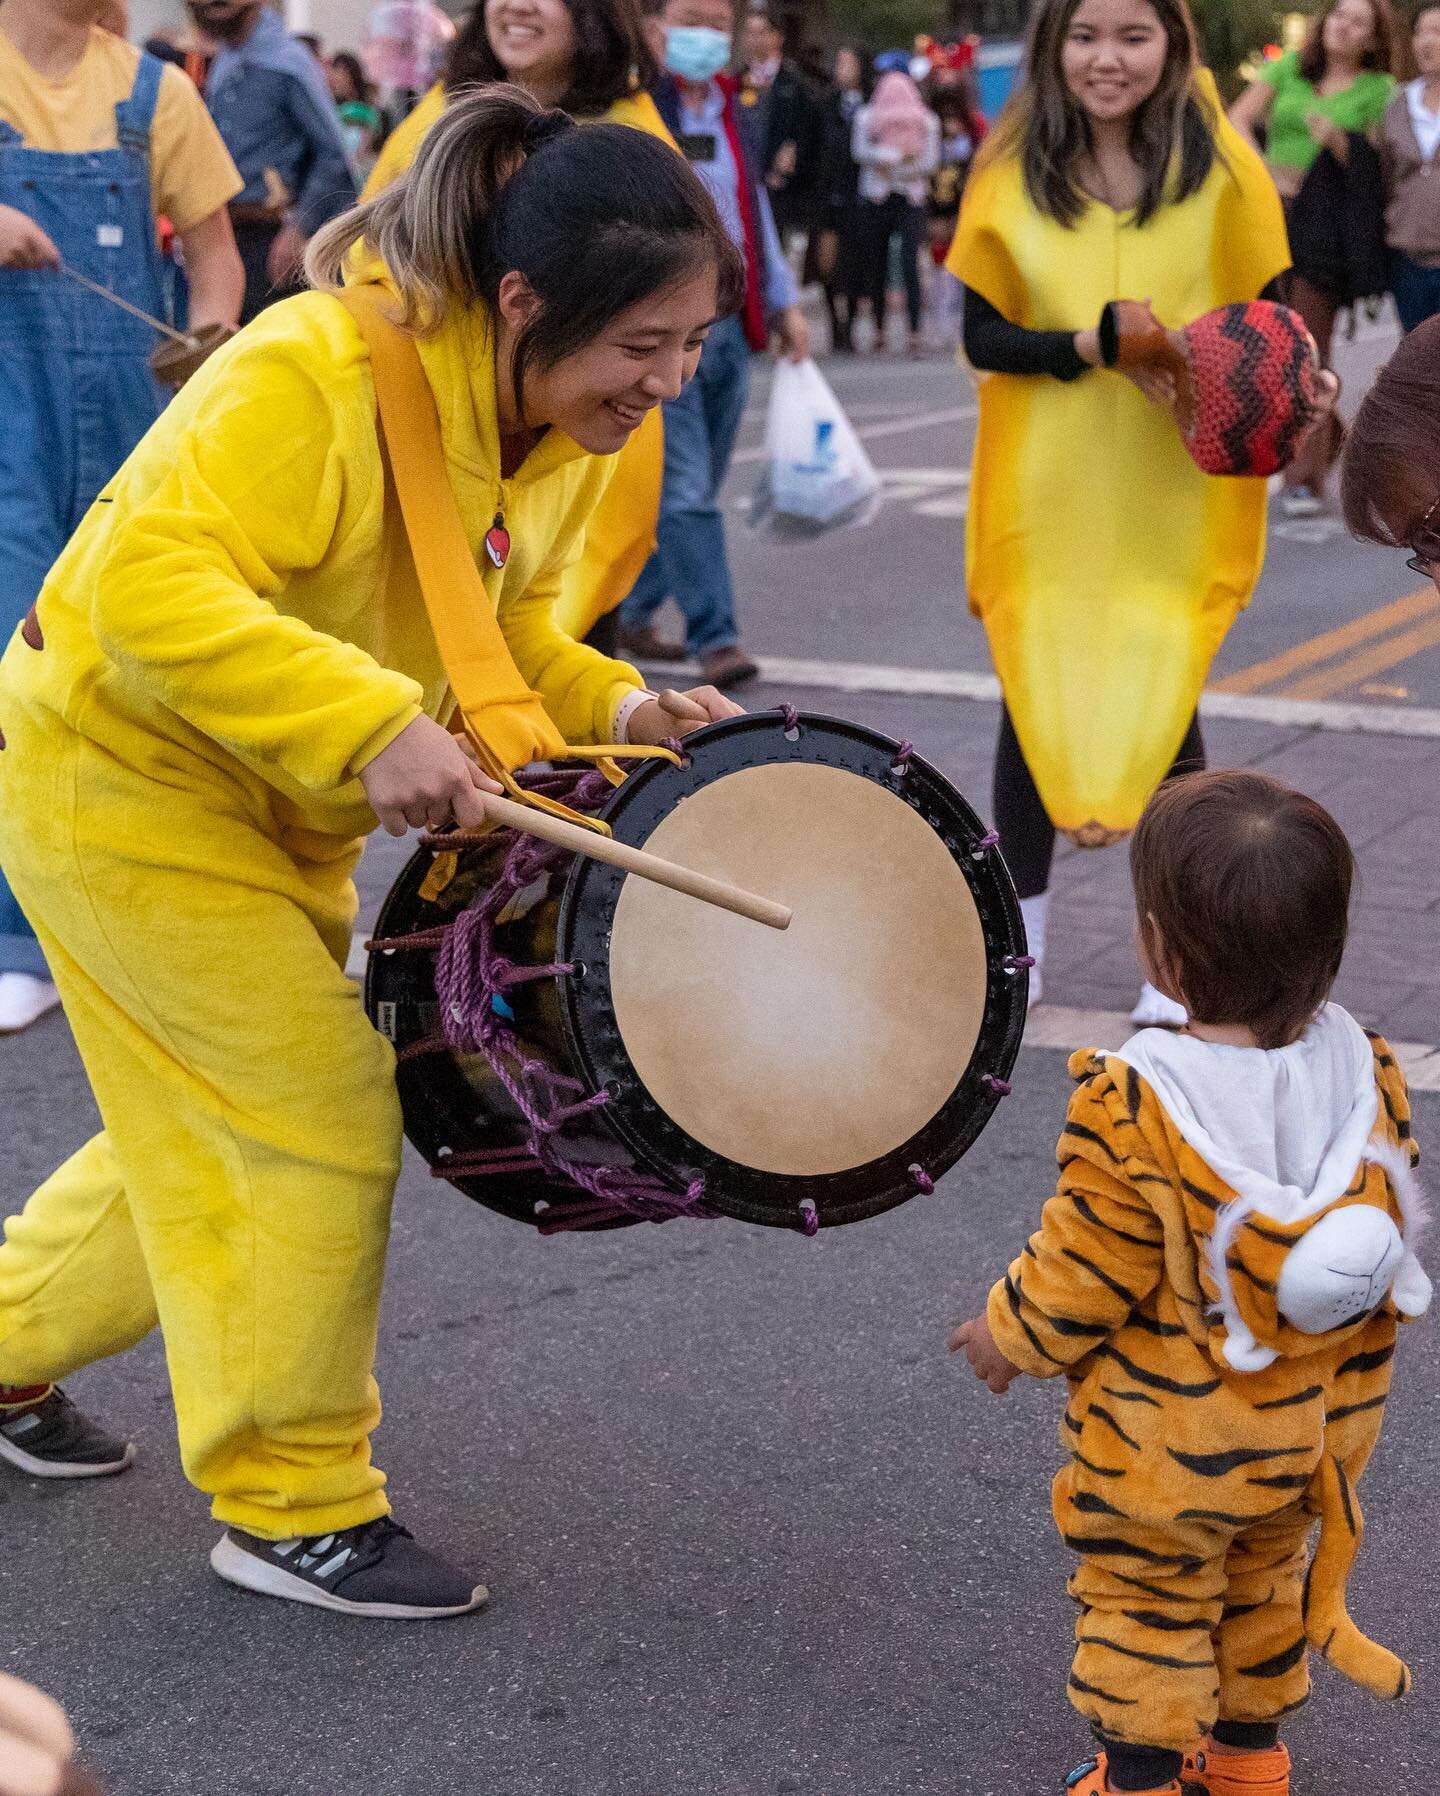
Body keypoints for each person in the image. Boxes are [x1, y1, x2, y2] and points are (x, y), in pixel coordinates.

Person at [0, 88, 744, 1618]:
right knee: (315, 1110)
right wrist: (363, 721)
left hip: (271, 798)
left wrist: (618, 697)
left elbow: (503, 627)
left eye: (690, 345)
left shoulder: (553, 420)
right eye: (643, 347)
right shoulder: (313, 366)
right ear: (523, 303)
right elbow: (145, 582)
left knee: (204, 1132)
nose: (668, 382)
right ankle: (290, 1504)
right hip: (116, 786)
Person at [952, 768, 1428, 1796]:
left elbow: (1084, 1264)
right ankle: (1252, 1764)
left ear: (1160, 947)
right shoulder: (1369, 1071)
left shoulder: (1140, 1103)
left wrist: (1008, 1332)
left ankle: (1138, 1777)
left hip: (1170, 1444)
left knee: (1147, 1601)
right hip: (1309, 1426)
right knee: (1264, 1577)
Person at [946, 0, 1290, 1026]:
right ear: (1054, 48)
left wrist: (1292, 388)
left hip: (1172, 491)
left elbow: (1267, 323)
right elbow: (982, 337)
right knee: (1033, 696)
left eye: (1133, 36)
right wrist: (1089, 346)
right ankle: (1023, 945)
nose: (1108, 58)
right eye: (1085, 35)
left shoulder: (1224, 171)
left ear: (1174, 47)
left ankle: (1173, 959)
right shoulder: (1009, 171)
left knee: (1165, 697)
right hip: (1042, 487)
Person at [0, 0, 243, 1036]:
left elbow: (215, 252)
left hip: (130, 425)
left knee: (116, 670)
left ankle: (119, 911)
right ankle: (20, 937)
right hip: (9, 423)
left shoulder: (159, 92)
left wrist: (207, 341)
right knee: (15, 652)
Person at [361, 0, 675, 657]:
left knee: (557, 638)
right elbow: (370, 254)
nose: (517, 6)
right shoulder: (440, 117)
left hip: (571, 438)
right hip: (442, 420)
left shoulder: (629, 135)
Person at [616, 0, 810, 686]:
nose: (703, 36)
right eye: (689, 18)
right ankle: (716, 636)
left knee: (695, 485)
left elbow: (753, 207)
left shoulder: (734, 108)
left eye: (716, 24)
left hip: (730, 322)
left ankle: (631, 611)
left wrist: (784, 302)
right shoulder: (635, 108)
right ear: (655, 27)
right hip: (662, 320)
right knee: (690, 488)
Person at [1229, 0, 1397, 516]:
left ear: (1372, 39)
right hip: (1270, 214)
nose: (1341, 27)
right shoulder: (1288, 69)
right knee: (1267, 342)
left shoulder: (1379, 91)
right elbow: (1237, 119)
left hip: (1325, 228)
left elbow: (1380, 167)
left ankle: (1303, 477)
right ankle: (1334, 434)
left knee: (1306, 344)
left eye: (1356, 22)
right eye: (1338, 15)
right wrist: (1257, 174)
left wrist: (1341, 143)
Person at [185, 0, 358, 323]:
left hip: (274, 242)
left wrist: (299, 227)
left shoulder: (288, 61)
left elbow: (333, 153)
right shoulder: (226, 57)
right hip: (233, 235)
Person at [851, 67, 939, 355]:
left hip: (910, 197)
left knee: (909, 261)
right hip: (877, 197)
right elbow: (860, 152)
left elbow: (929, 162)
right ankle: (878, 329)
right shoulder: (867, 117)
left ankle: (914, 329)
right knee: (875, 263)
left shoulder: (926, 120)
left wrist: (893, 165)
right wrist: (896, 156)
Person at [737, 2, 819, 246]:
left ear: (777, 37)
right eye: (750, 33)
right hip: (745, 178)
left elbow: (808, 133)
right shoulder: (737, 80)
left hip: (781, 188)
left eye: (761, 32)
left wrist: (792, 156)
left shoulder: (795, 83)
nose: (755, 39)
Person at [1381, 3, 1440, 332]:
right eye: (1421, 32)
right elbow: (1385, 175)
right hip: (1409, 260)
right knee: (1416, 360)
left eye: (1437, 32)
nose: (1427, 42)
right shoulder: (1397, 103)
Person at [807, 41, 866, 352]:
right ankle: (834, 320)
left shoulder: (871, 104)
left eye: (849, 62)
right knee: (827, 262)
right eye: (839, 63)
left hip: (860, 195)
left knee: (855, 263)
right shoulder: (824, 104)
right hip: (828, 195)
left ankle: (852, 323)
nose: (843, 69)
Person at [925, 85, 984, 349]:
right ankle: (941, 321)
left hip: (964, 199)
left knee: (961, 261)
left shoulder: (973, 126)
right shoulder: (927, 123)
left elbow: (981, 159)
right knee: (939, 258)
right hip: (936, 198)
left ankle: (959, 319)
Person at [328, 48, 386, 180]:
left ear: (350, 74)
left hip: (363, 165)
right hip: (345, 165)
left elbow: (370, 135)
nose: (337, 80)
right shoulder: (332, 103)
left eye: (341, 75)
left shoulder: (368, 101)